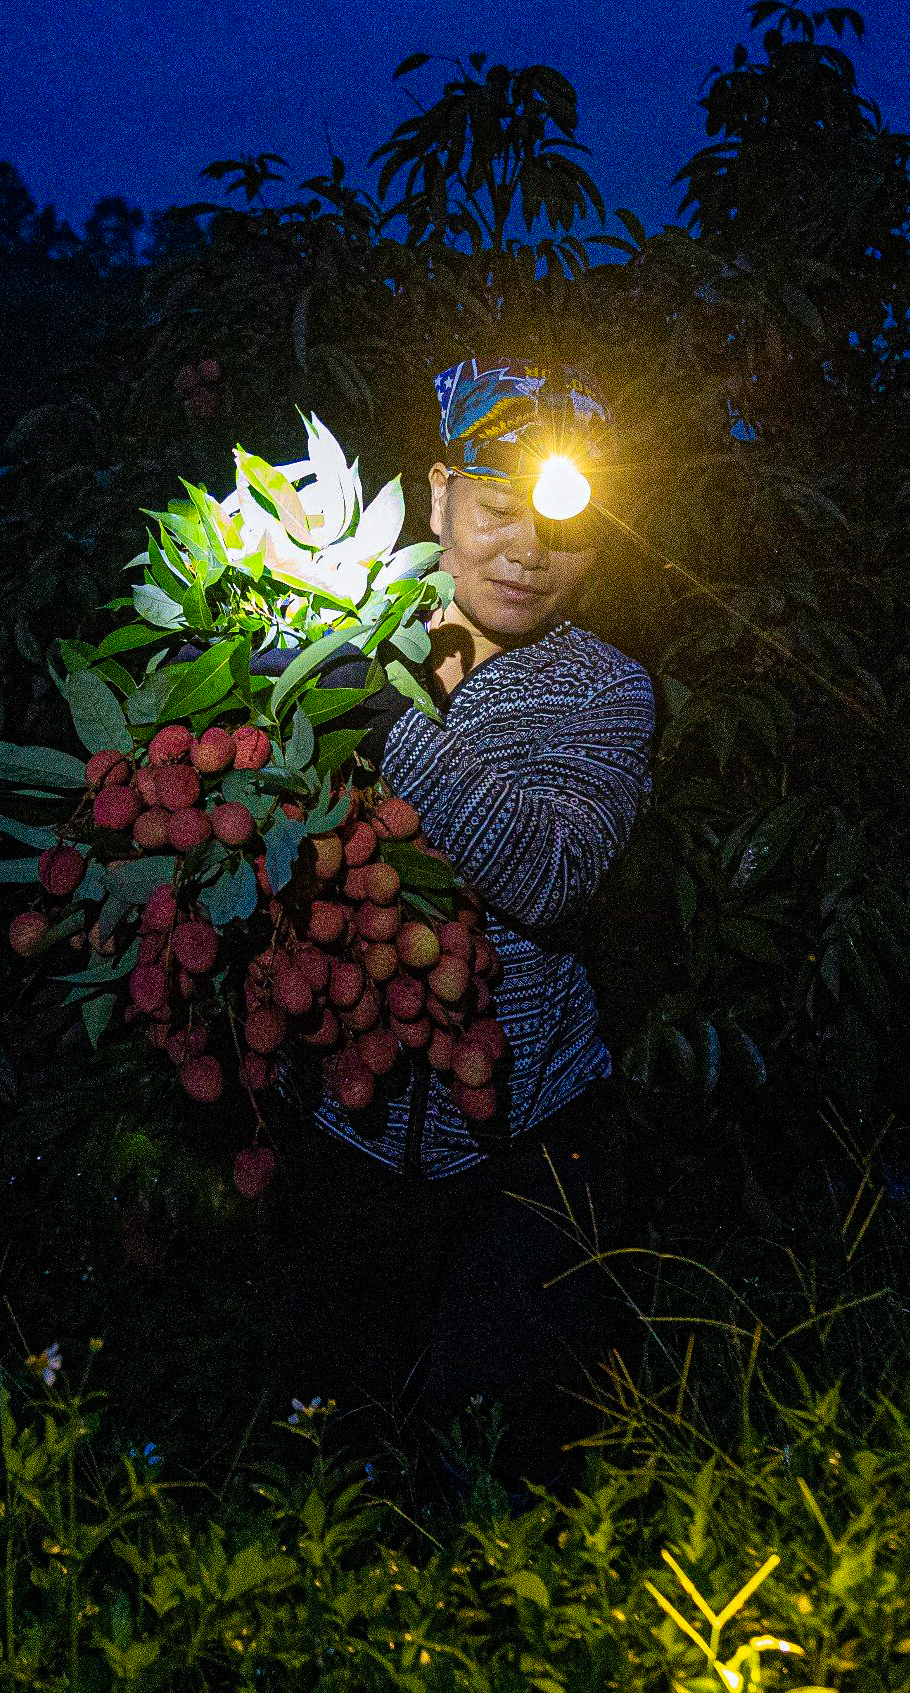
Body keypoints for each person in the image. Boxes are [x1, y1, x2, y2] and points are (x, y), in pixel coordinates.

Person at [256, 357, 655, 1492]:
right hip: (342, 1128)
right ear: (435, 497)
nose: (528, 552)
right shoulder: (334, 627)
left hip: (534, 1140)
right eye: (493, 513)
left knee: (509, 1472)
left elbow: (550, 870)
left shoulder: (605, 693)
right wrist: (230, 686)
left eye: (564, 532)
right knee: (329, 1462)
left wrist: (382, 719)